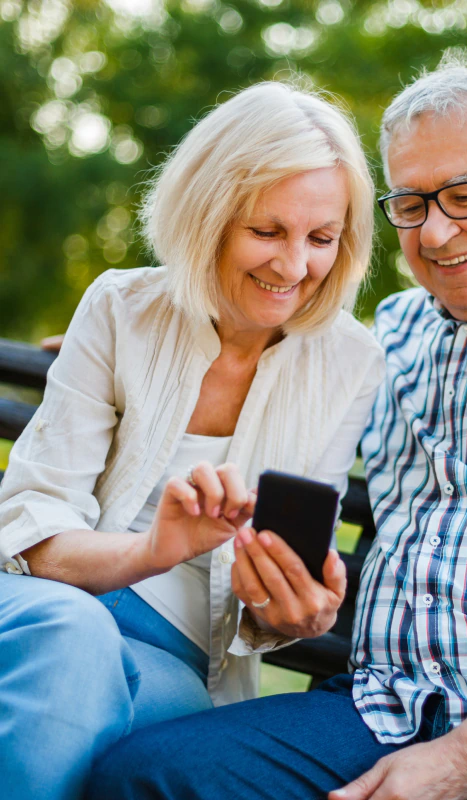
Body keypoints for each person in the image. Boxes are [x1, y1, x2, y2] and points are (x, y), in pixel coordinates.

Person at [86, 56, 467, 800]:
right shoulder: (392, 335)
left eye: (466, 194)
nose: (437, 231)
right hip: (385, 705)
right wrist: (118, 344)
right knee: (143, 779)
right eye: (410, 203)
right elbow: (252, 349)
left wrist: (459, 763)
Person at [0, 81, 385, 800]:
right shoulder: (122, 308)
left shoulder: (351, 362)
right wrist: (156, 550)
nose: (294, 266)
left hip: (179, 663)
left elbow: (275, 595)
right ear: (207, 214)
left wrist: (290, 609)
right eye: (267, 231)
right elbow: (31, 524)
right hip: (45, 606)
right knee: (72, 642)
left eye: (322, 238)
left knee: (158, 726)